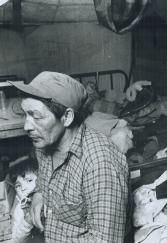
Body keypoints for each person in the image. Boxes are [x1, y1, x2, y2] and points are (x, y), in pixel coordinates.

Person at [8, 71, 130, 243]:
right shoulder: (44, 143)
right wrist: (39, 194)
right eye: (26, 114)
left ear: (67, 117)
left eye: (36, 116)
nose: (27, 126)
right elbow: (44, 180)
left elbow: (105, 241)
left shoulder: (100, 164)